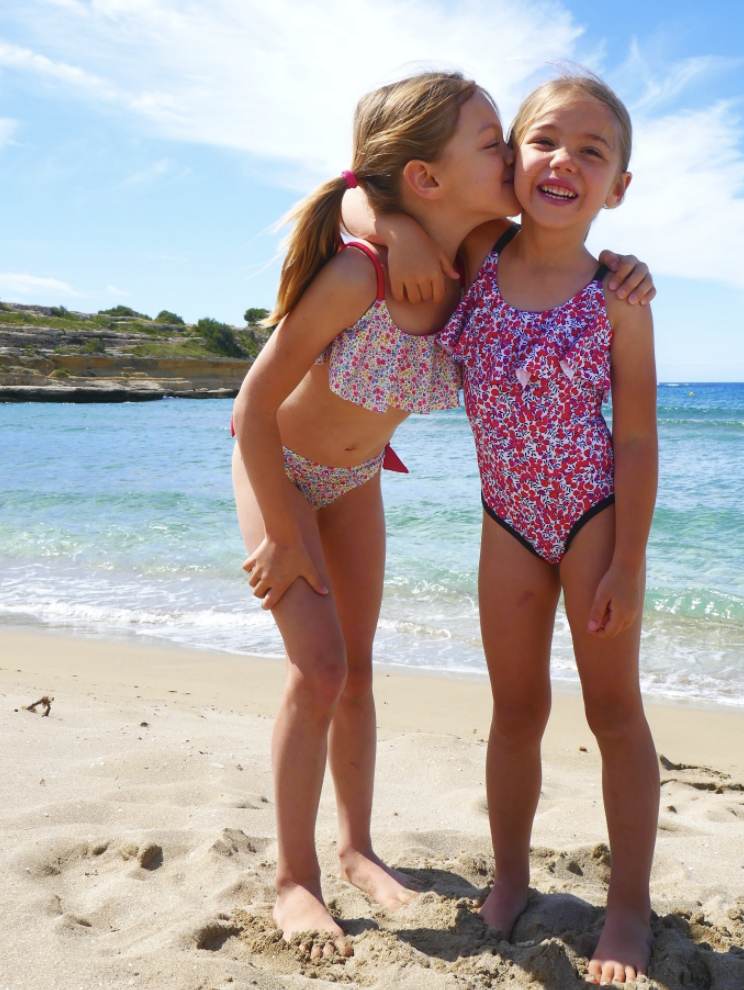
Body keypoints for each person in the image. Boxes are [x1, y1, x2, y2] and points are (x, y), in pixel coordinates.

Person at [231, 70, 655, 958]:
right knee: (319, 671)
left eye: (514, 139)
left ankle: (355, 850)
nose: (520, 159)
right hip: (284, 468)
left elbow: (563, 246)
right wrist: (277, 525)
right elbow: (254, 406)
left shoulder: (484, 260)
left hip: (357, 485)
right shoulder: (377, 268)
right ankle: (294, 879)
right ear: (426, 177)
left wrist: (626, 264)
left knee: (357, 674)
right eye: (502, 143)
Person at [438, 69, 661, 985]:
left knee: (614, 712)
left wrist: (629, 564)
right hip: (505, 520)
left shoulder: (619, 296)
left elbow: (639, 435)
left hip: (594, 518)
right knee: (516, 710)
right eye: (544, 142)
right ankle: (512, 875)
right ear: (509, 161)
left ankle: (628, 907)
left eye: (592, 151)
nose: (564, 162)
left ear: (618, 186)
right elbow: (384, 210)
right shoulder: (476, 256)